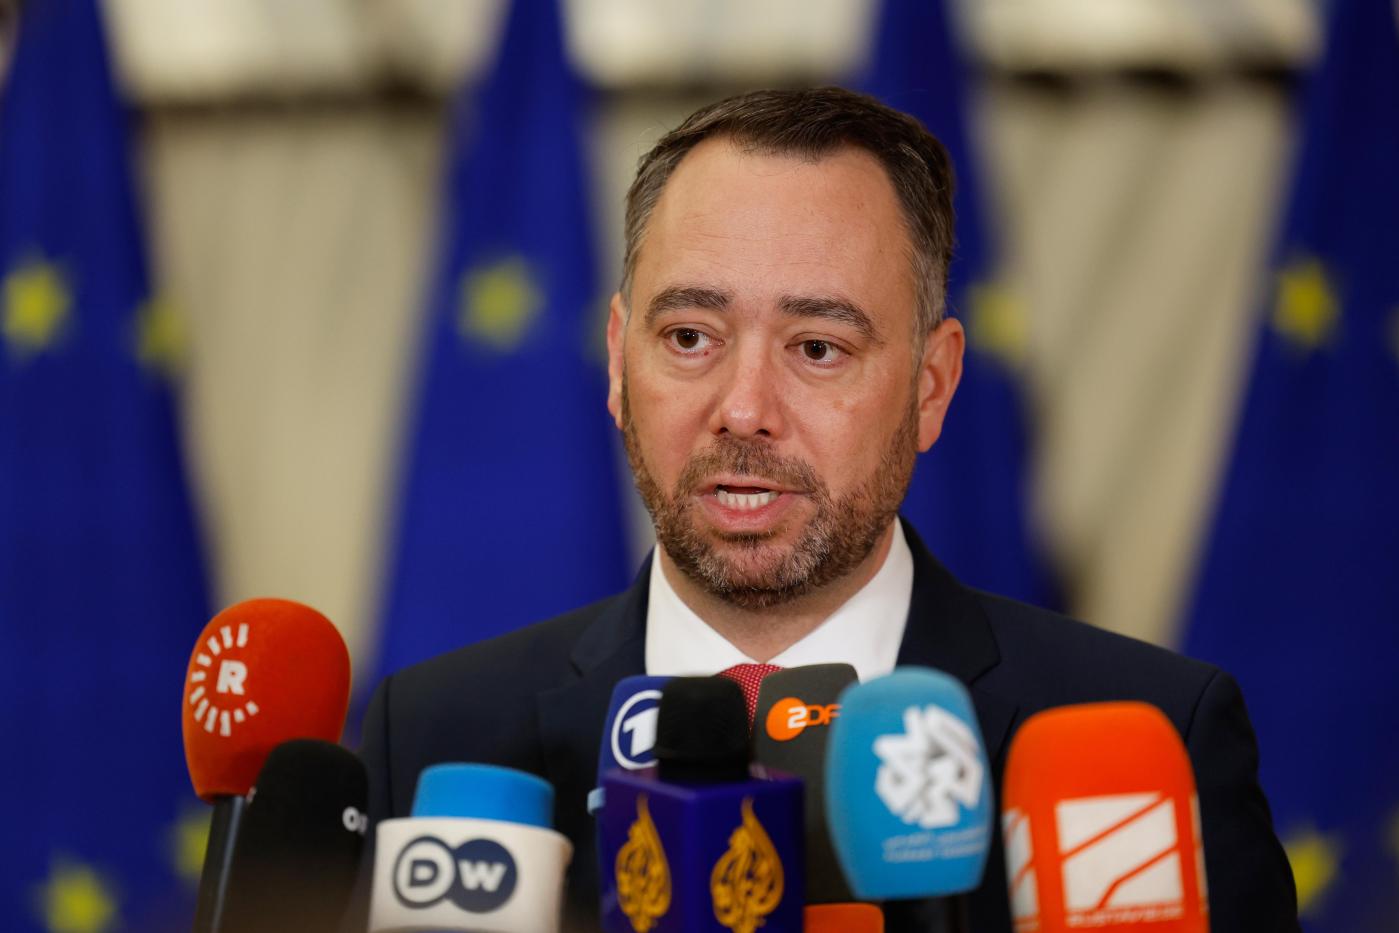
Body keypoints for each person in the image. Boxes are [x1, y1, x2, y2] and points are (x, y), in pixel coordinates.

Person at [358, 86, 1299, 931]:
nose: (743, 409)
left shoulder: (1147, 740)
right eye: (688, 336)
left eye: (816, 348)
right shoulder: (436, 740)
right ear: (615, 359)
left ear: (932, 385)